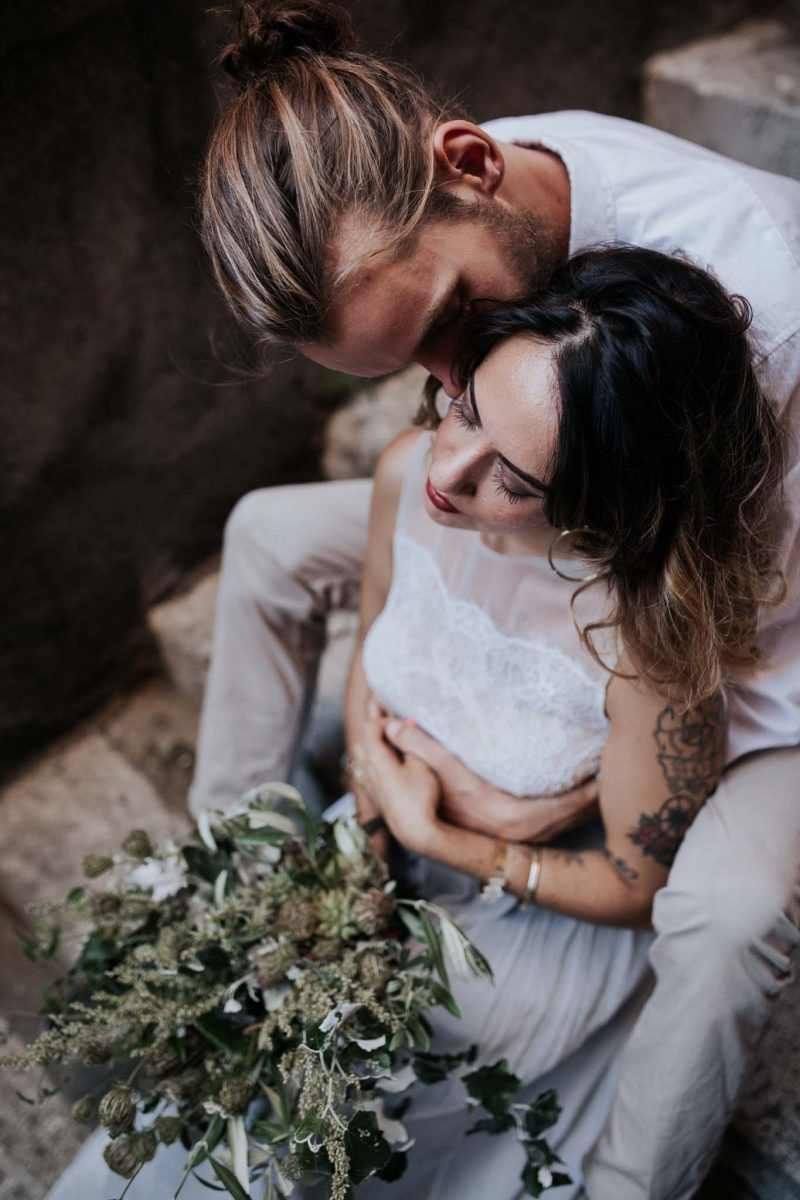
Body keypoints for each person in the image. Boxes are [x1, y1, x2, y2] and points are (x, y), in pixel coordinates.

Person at [192, 3, 800, 1196]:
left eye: (449, 332)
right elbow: (468, 457)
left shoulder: (768, 313)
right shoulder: (460, 207)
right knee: (267, 532)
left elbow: (705, 610)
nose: (443, 390)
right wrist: (383, 693)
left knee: (728, 914)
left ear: (467, 164)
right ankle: (236, 875)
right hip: (555, 524)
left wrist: (578, 769)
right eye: (412, 375)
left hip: (755, 627)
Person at [47, 243, 785, 1200]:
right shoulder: (407, 473)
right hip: (371, 855)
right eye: (464, 407)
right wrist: (364, 797)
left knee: (346, 1130)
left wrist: (439, 832)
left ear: (605, 502)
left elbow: (637, 885)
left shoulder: (646, 645)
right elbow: (377, 651)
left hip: (517, 935)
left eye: (510, 479)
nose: (450, 470)